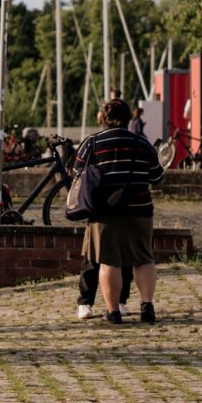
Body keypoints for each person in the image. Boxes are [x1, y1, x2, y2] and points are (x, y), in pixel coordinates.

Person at [77, 99, 165, 325]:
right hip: (139, 211)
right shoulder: (142, 143)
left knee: (109, 261)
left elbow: (76, 172)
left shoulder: (93, 142)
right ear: (128, 118)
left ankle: (113, 311)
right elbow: (157, 177)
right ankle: (147, 306)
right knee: (144, 259)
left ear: (104, 118)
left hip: (105, 213)